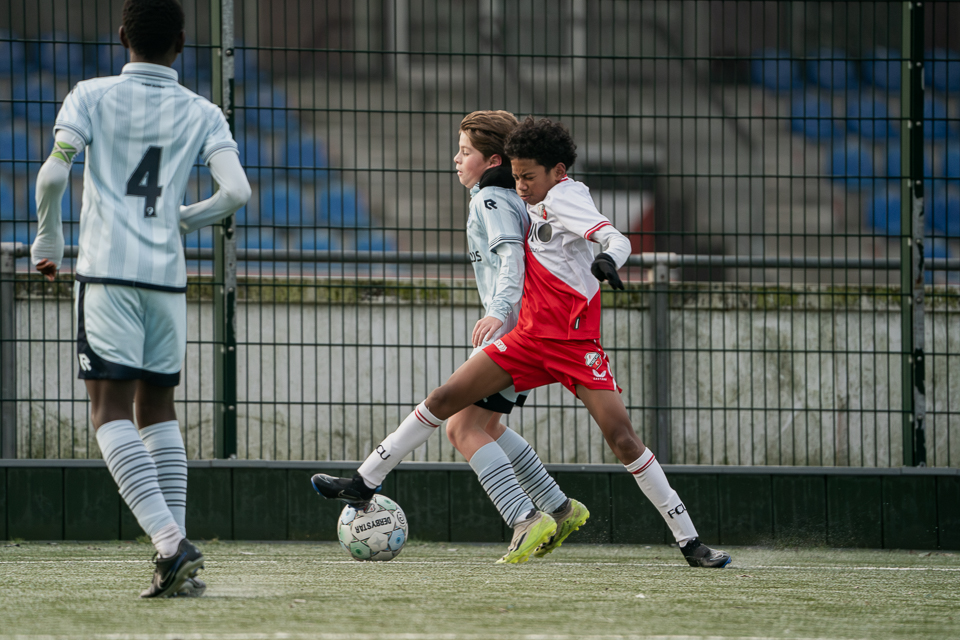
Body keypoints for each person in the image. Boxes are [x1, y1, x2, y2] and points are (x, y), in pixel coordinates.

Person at [313, 117, 729, 568]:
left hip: (575, 345)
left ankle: (690, 541)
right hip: (529, 339)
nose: (522, 185)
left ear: (558, 170)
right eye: (516, 176)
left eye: (529, 176)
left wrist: (608, 259)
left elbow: (615, 236)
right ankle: (365, 480)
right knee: (446, 399)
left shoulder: (568, 196)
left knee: (623, 439)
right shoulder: (525, 198)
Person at [30, 0, 251, 597]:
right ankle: (174, 561)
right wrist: (182, 219)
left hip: (105, 275)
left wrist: (46, 239)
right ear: (181, 43)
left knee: (107, 412)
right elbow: (236, 191)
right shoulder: (204, 111)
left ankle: (170, 543)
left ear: (122, 35)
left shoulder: (91, 94)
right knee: (158, 411)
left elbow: (53, 174)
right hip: (167, 279)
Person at [374, 110, 590, 563]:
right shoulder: (507, 197)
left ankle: (524, 517)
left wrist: (497, 312)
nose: (456, 158)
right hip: (526, 326)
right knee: (487, 426)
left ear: (491, 158)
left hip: (515, 333)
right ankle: (559, 507)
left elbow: (511, 259)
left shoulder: (489, 201)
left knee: (460, 427)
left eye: (465, 151)